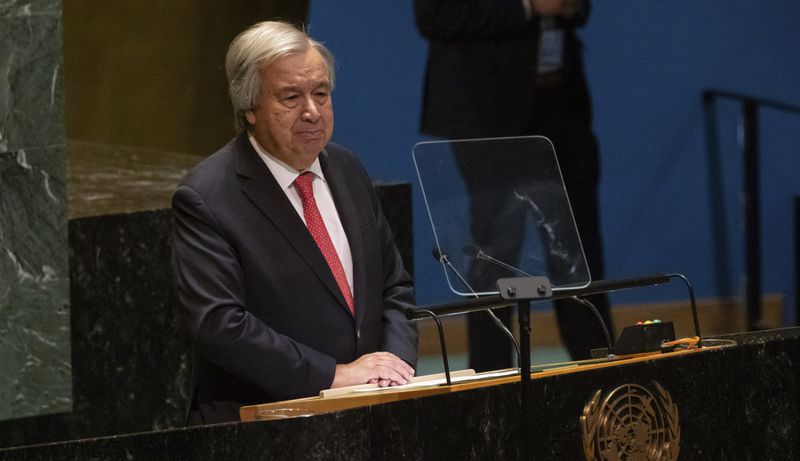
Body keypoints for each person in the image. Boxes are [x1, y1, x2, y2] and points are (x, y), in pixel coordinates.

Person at [172, 21, 418, 424]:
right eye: (291, 97)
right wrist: (333, 376)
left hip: (369, 415)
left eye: (321, 94)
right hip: (263, 427)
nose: (311, 111)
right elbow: (218, 324)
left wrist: (393, 368)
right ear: (248, 108)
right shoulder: (207, 196)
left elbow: (393, 286)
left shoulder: (346, 168)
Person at [415, 0, 612, 371]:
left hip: (562, 107)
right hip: (488, 114)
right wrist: (527, 7)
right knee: (495, 253)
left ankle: (600, 376)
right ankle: (491, 385)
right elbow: (435, 15)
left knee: (579, 253)